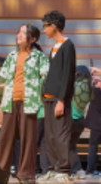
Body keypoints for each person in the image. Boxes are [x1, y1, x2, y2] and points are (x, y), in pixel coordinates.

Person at [0, 23, 49, 184]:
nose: (19, 35)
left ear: (32, 39)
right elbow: (5, 79)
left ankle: (25, 174)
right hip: (10, 101)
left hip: (29, 102)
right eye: (18, 32)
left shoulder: (39, 57)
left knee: (28, 139)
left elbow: (46, 77)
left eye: (23, 33)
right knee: (5, 138)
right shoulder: (12, 56)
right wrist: (0, 105)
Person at [40, 10, 76, 180]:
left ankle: (63, 170)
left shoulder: (68, 45)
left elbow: (67, 74)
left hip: (59, 99)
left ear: (54, 26)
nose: (44, 30)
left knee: (61, 135)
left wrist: (62, 100)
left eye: (45, 26)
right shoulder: (53, 47)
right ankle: (53, 168)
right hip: (48, 98)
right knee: (50, 136)